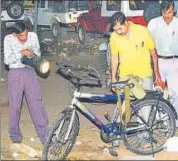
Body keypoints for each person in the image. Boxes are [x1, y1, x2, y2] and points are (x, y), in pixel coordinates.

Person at [109, 11, 164, 122]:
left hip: (144, 75)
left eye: (120, 29)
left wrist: (157, 73)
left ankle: (143, 134)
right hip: (126, 77)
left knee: (145, 106)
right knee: (123, 106)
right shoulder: (114, 37)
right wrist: (113, 77)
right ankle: (119, 134)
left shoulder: (142, 31)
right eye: (115, 30)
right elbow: (114, 58)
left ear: (126, 22)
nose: (118, 32)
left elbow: (153, 52)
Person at [4, 21, 49, 144]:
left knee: (36, 104)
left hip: (30, 72)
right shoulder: (8, 39)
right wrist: (21, 54)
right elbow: (7, 60)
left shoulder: (33, 36)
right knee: (15, 106)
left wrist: (32, 53)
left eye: (25, 34)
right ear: (14, 34)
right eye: (21, 36)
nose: (24, 38)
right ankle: (15, 136)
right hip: (15, 73)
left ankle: (45, 136)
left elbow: (38, 54)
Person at [148, 0, 178, 127]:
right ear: (161, 11)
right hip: (158, 61)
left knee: (175, 92)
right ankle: (162, 120)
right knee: (158, 91)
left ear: (174, 10)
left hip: (174, 61)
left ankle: (174, 119)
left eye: (170, 12)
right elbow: (149, 45)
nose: (167, 16)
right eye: (164, 12)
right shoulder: (154, 23)